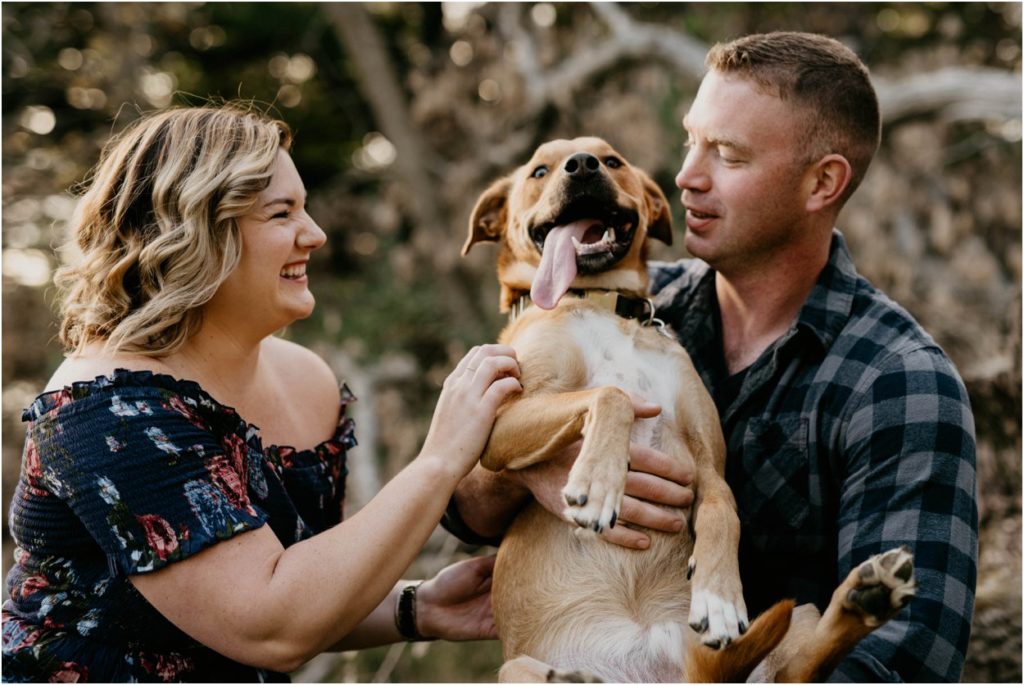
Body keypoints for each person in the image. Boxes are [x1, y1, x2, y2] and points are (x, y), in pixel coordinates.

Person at [446, 32, 978, 683]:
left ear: (823, 182)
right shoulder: (626, 302)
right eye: (689, 140)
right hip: (581, 638)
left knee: (808, 623)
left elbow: (906, 662)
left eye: (725, 154)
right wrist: (536, 468)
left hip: (728, 662)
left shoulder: (901, 381)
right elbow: (467, 507)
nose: (684, 176)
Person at [1, 104, 524, 682]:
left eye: (305, 207)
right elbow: (270, 624)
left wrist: (414, 606)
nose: (316, 234)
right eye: (282, 213)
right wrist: (442, 459)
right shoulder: (105, 412)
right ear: (195, 232)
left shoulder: (305, 379)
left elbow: (300, 580)